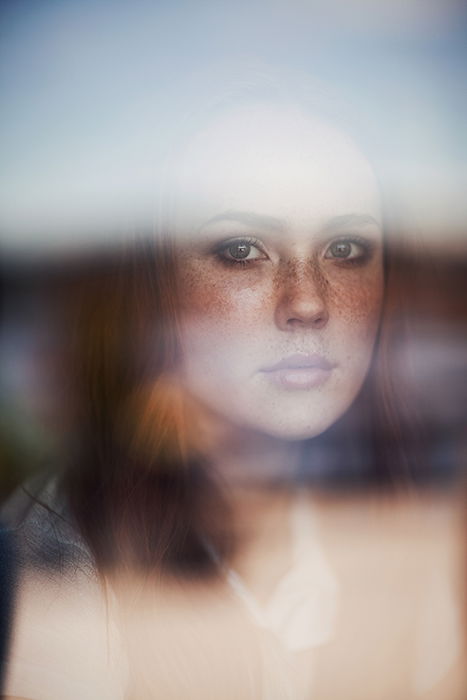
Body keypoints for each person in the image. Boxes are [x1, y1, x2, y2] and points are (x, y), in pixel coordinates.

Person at [2, 76, 465, 700]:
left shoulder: (414, 524)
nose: (306, 300)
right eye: (242, 249)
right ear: (156, 279)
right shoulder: (58, 563)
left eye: (346, 247)